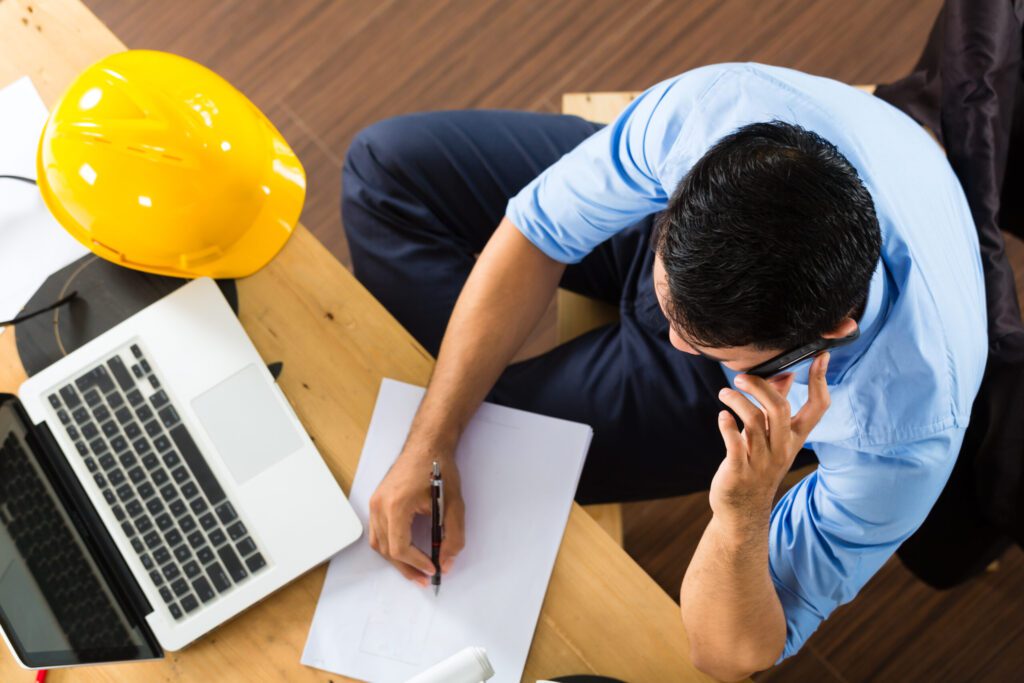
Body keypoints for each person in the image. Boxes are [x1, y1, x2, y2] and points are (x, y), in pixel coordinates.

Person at [341, 63, 987, 680]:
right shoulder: (715, 113)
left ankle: (493, 390)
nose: (673, 335)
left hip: (764, 376)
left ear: (830, 332)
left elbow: (727, 653)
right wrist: (432, 436)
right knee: (381, 171)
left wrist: (742, 511)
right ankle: (494, 387)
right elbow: (538, 226)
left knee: (494, 452)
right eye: (673, 311)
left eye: (699, 337)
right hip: (711, 255)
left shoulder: (901, 437)